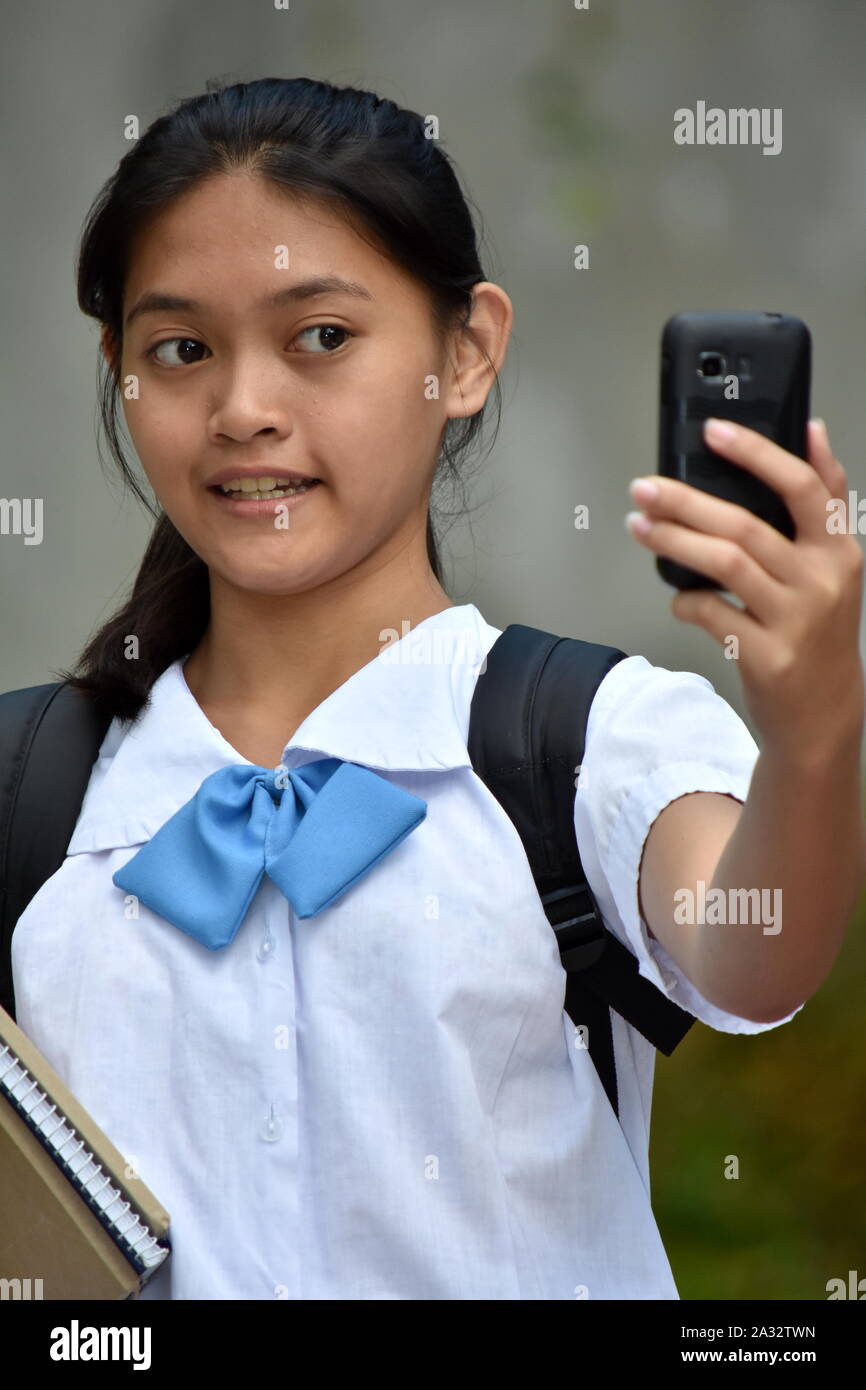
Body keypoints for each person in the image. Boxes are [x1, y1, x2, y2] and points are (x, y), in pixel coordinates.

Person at [10, 76, 865, 1300]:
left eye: (322, 337)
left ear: (464, 351)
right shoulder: (36, 790)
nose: (245, 409)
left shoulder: (581, 734)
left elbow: (754, 954)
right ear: (121, 367)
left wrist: (814, 730)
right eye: (182, 348)